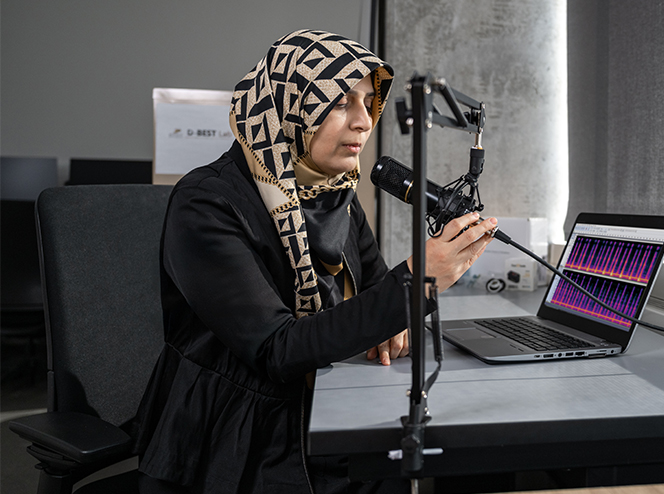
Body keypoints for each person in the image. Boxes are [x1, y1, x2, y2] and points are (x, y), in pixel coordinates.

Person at [133, 29, 497, 493]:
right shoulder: (206, 203)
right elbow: (277, 349)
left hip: (325, 406)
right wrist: (414, 283)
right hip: (240, 438)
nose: (364, 122)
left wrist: (392, 319)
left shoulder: (336, 193)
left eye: (369, 103)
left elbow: (375, 295)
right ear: (290, 108)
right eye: (341, 103)